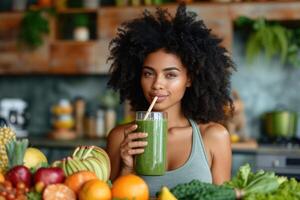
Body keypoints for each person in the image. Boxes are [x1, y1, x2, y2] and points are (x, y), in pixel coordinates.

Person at [106, 4, 234, 196]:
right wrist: (126, 168)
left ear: (189, 79)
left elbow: (224, 197)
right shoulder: (120, 138)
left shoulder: (214, 137)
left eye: (170, 75)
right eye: (148, 73)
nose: (157, 84)